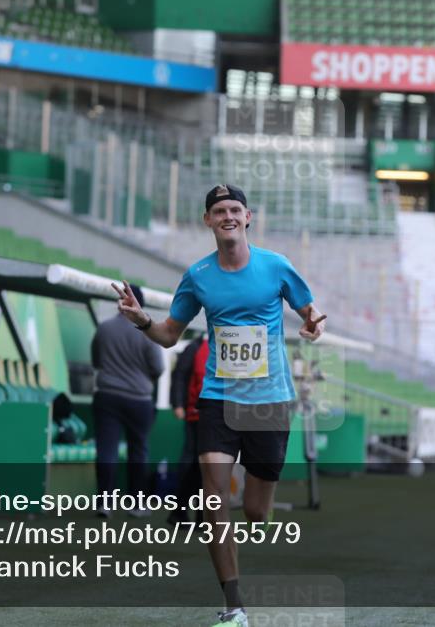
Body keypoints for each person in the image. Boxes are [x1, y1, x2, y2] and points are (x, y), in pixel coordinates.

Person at [112, 183, 326, 627]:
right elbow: (169, 334)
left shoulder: (276, 266)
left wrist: (311, 327)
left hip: (269, 402)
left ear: (248, 218)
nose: (227, 216)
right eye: (219, 210)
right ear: (207, 220)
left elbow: (310, 315)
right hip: (218, 399)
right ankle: (234, 607)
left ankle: (257, 513)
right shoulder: (198, 276)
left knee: (255, 512)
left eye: (234, 209)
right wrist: (143, 320)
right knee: (213, 498)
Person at [91, 283, 165, 517]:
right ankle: (137, 504)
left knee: (106, 450)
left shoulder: (104, 328)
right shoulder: (147, 333)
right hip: (139, 399)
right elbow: (158, 368)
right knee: (138, 451)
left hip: (107, 396)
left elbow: (96, 361)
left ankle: (104, 503)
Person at [168, 332, 209, 525]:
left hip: (214, 416)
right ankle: (184, 512)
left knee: (201, 465)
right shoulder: (194, 347)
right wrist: (177, 404)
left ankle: (191, 514)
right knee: (196, 464)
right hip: (197, 415)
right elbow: (180, 376)